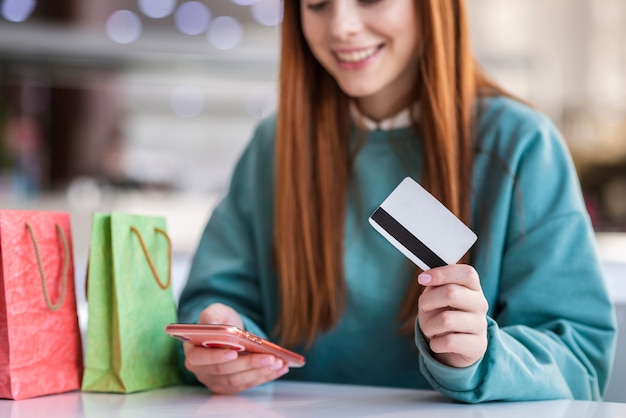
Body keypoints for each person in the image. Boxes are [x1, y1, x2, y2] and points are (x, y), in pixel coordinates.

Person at [177, 0, 617, 403]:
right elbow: (213, 304)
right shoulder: (273, 147)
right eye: (317, 3)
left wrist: (483, 356)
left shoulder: (521, 147)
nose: (342, 26)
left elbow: (579, 366)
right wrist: (222, 343)